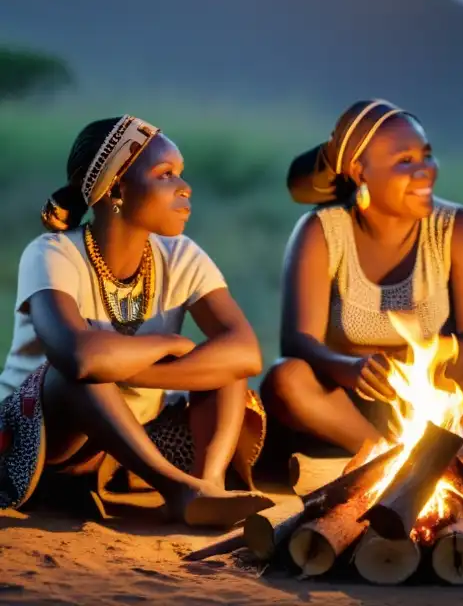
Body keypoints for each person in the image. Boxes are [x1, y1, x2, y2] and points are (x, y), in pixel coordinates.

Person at [0, 115, 271, 527]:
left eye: (181, 174)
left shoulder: (181, 255)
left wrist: (131, 372)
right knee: (75, 374)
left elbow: (246, 352)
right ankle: (180, 492)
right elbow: (79, 358)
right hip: (35, 438)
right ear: (117, 189)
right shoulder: (52, 253)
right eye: (165, 175)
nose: (185, 188)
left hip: (127, 441)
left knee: (226, 365)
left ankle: (207, 483)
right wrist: (167, 346)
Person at [260, 99, 463, 458]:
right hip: (350, 406)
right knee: (286, 380)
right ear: (361, 172)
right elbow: (299, 343)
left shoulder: (458, 228)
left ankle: (424, 451)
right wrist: (350, 369)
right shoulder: (321, 232)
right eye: (404, 162)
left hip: (439, 396)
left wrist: (425, 364)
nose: (425, 171)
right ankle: (387, 454)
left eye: (426, 155)